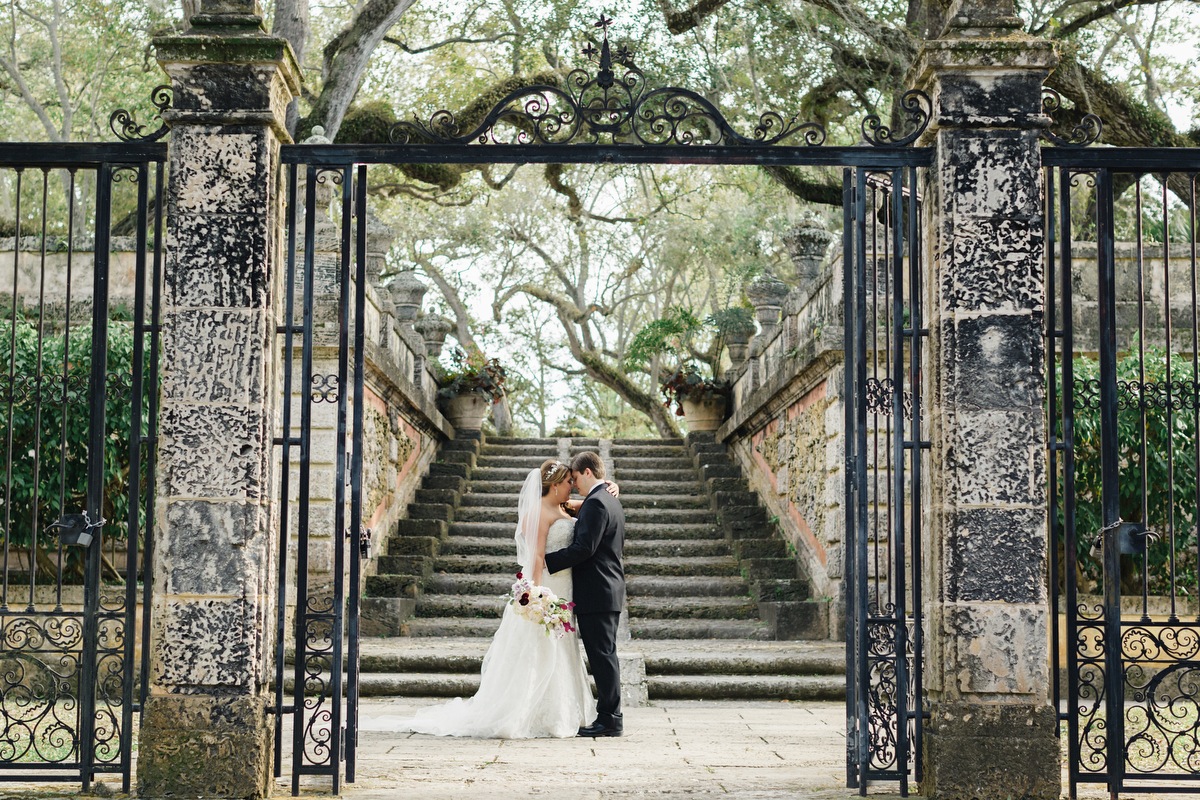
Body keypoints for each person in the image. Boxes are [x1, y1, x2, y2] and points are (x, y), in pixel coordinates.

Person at [386, 459, 592, 738]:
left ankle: (566, 709)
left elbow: (594, 502)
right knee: (540, 647)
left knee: (563, 647)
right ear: (555, 485)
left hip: (567, 587)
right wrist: (537, 595)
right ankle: (534, 712)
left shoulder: (565, 507)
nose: (573, 487)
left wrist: (609, 487)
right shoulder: (538, 513)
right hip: (549, 587)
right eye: (569, 482)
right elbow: (537, 557)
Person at [543, 451, 626, 738]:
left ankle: (610, 719)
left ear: (587, 472)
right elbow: (580, 508)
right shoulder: (606, 499)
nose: (575, 483)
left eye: (576, 477)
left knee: (602, 657)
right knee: (604, 655)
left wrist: (546, 562)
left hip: (598, 591)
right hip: (604, 590)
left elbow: (584, 549)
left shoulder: (596, 504)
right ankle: (609, 716)